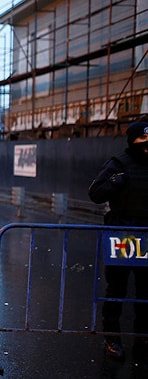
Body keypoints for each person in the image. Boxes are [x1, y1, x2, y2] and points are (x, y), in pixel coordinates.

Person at [89, 121, 148, 360]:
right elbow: (95, 192)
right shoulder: (119, 163)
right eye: (142, 141)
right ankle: (112, 339)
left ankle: (142, 338)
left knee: (145, 292)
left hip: (145, 235)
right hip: (122, 235)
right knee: (117, 290)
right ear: (132, 141)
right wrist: (113, 183)